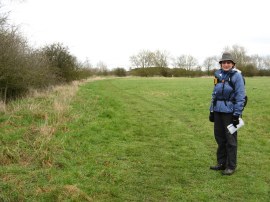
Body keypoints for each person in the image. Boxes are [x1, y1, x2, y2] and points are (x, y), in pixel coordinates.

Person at [209, 52, 246, 175]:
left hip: (230, 113)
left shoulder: (237, 76)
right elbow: (214, 94)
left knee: (230, 140)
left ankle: (231, 166)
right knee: (219, 138)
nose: (226, 64)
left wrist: (237, 114)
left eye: (228, 62)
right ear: (220, 64)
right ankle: (221, 163)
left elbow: (241, 96)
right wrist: (212, 111)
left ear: (233, 64)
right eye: (223, 62)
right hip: (218, 111)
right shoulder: (218, 75)